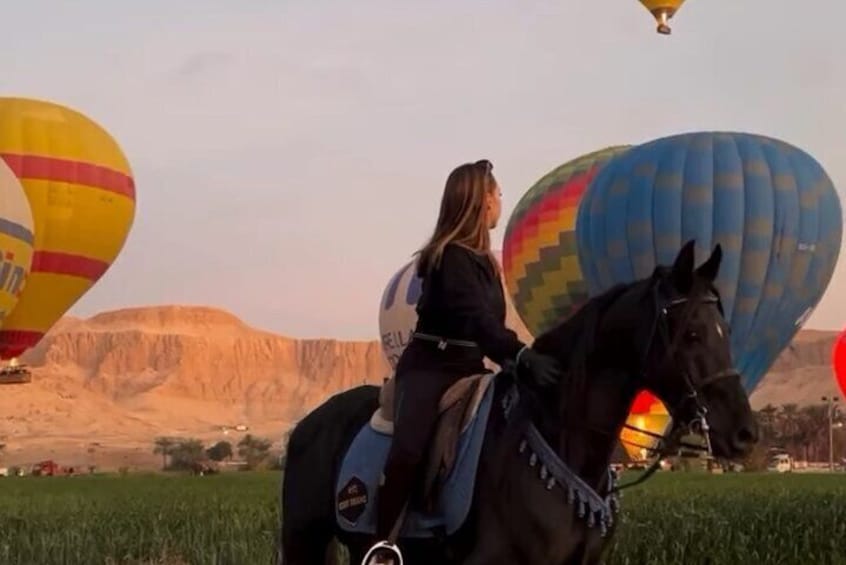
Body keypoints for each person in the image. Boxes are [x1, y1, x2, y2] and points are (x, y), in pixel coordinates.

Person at [364, 159, 561, 564]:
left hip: (472, 367)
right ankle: (383, 545)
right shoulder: (449, 257)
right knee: (410, 446)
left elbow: (489, 325)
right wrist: (520, 355)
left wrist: (515, 365)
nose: (500, 201)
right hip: (431, 369)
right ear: (479, 200)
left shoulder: (486, 262)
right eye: (497, 193)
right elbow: (476, 320)